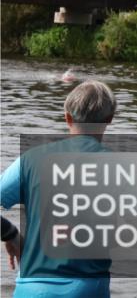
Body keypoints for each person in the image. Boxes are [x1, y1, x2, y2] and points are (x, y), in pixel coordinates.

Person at [0, 80, 117, 297]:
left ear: (67, 117)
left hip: (31, 289)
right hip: (86, 289)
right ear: (110, 118)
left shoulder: (30, 160)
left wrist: (9, 232)